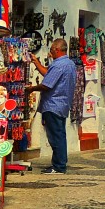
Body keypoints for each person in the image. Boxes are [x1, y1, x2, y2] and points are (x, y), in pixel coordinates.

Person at [27, 38, 77, 174]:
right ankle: (60, 163)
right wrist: (36, 62)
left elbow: (47, 84)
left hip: (53, 105)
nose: (50, 53)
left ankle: (59, 166)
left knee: (56, 137)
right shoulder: (69, 64)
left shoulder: (58, 65)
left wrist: (32, 89)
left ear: (57, 50)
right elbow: (48, 75)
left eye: (51, 50)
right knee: (59, 135)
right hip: (62, 105)